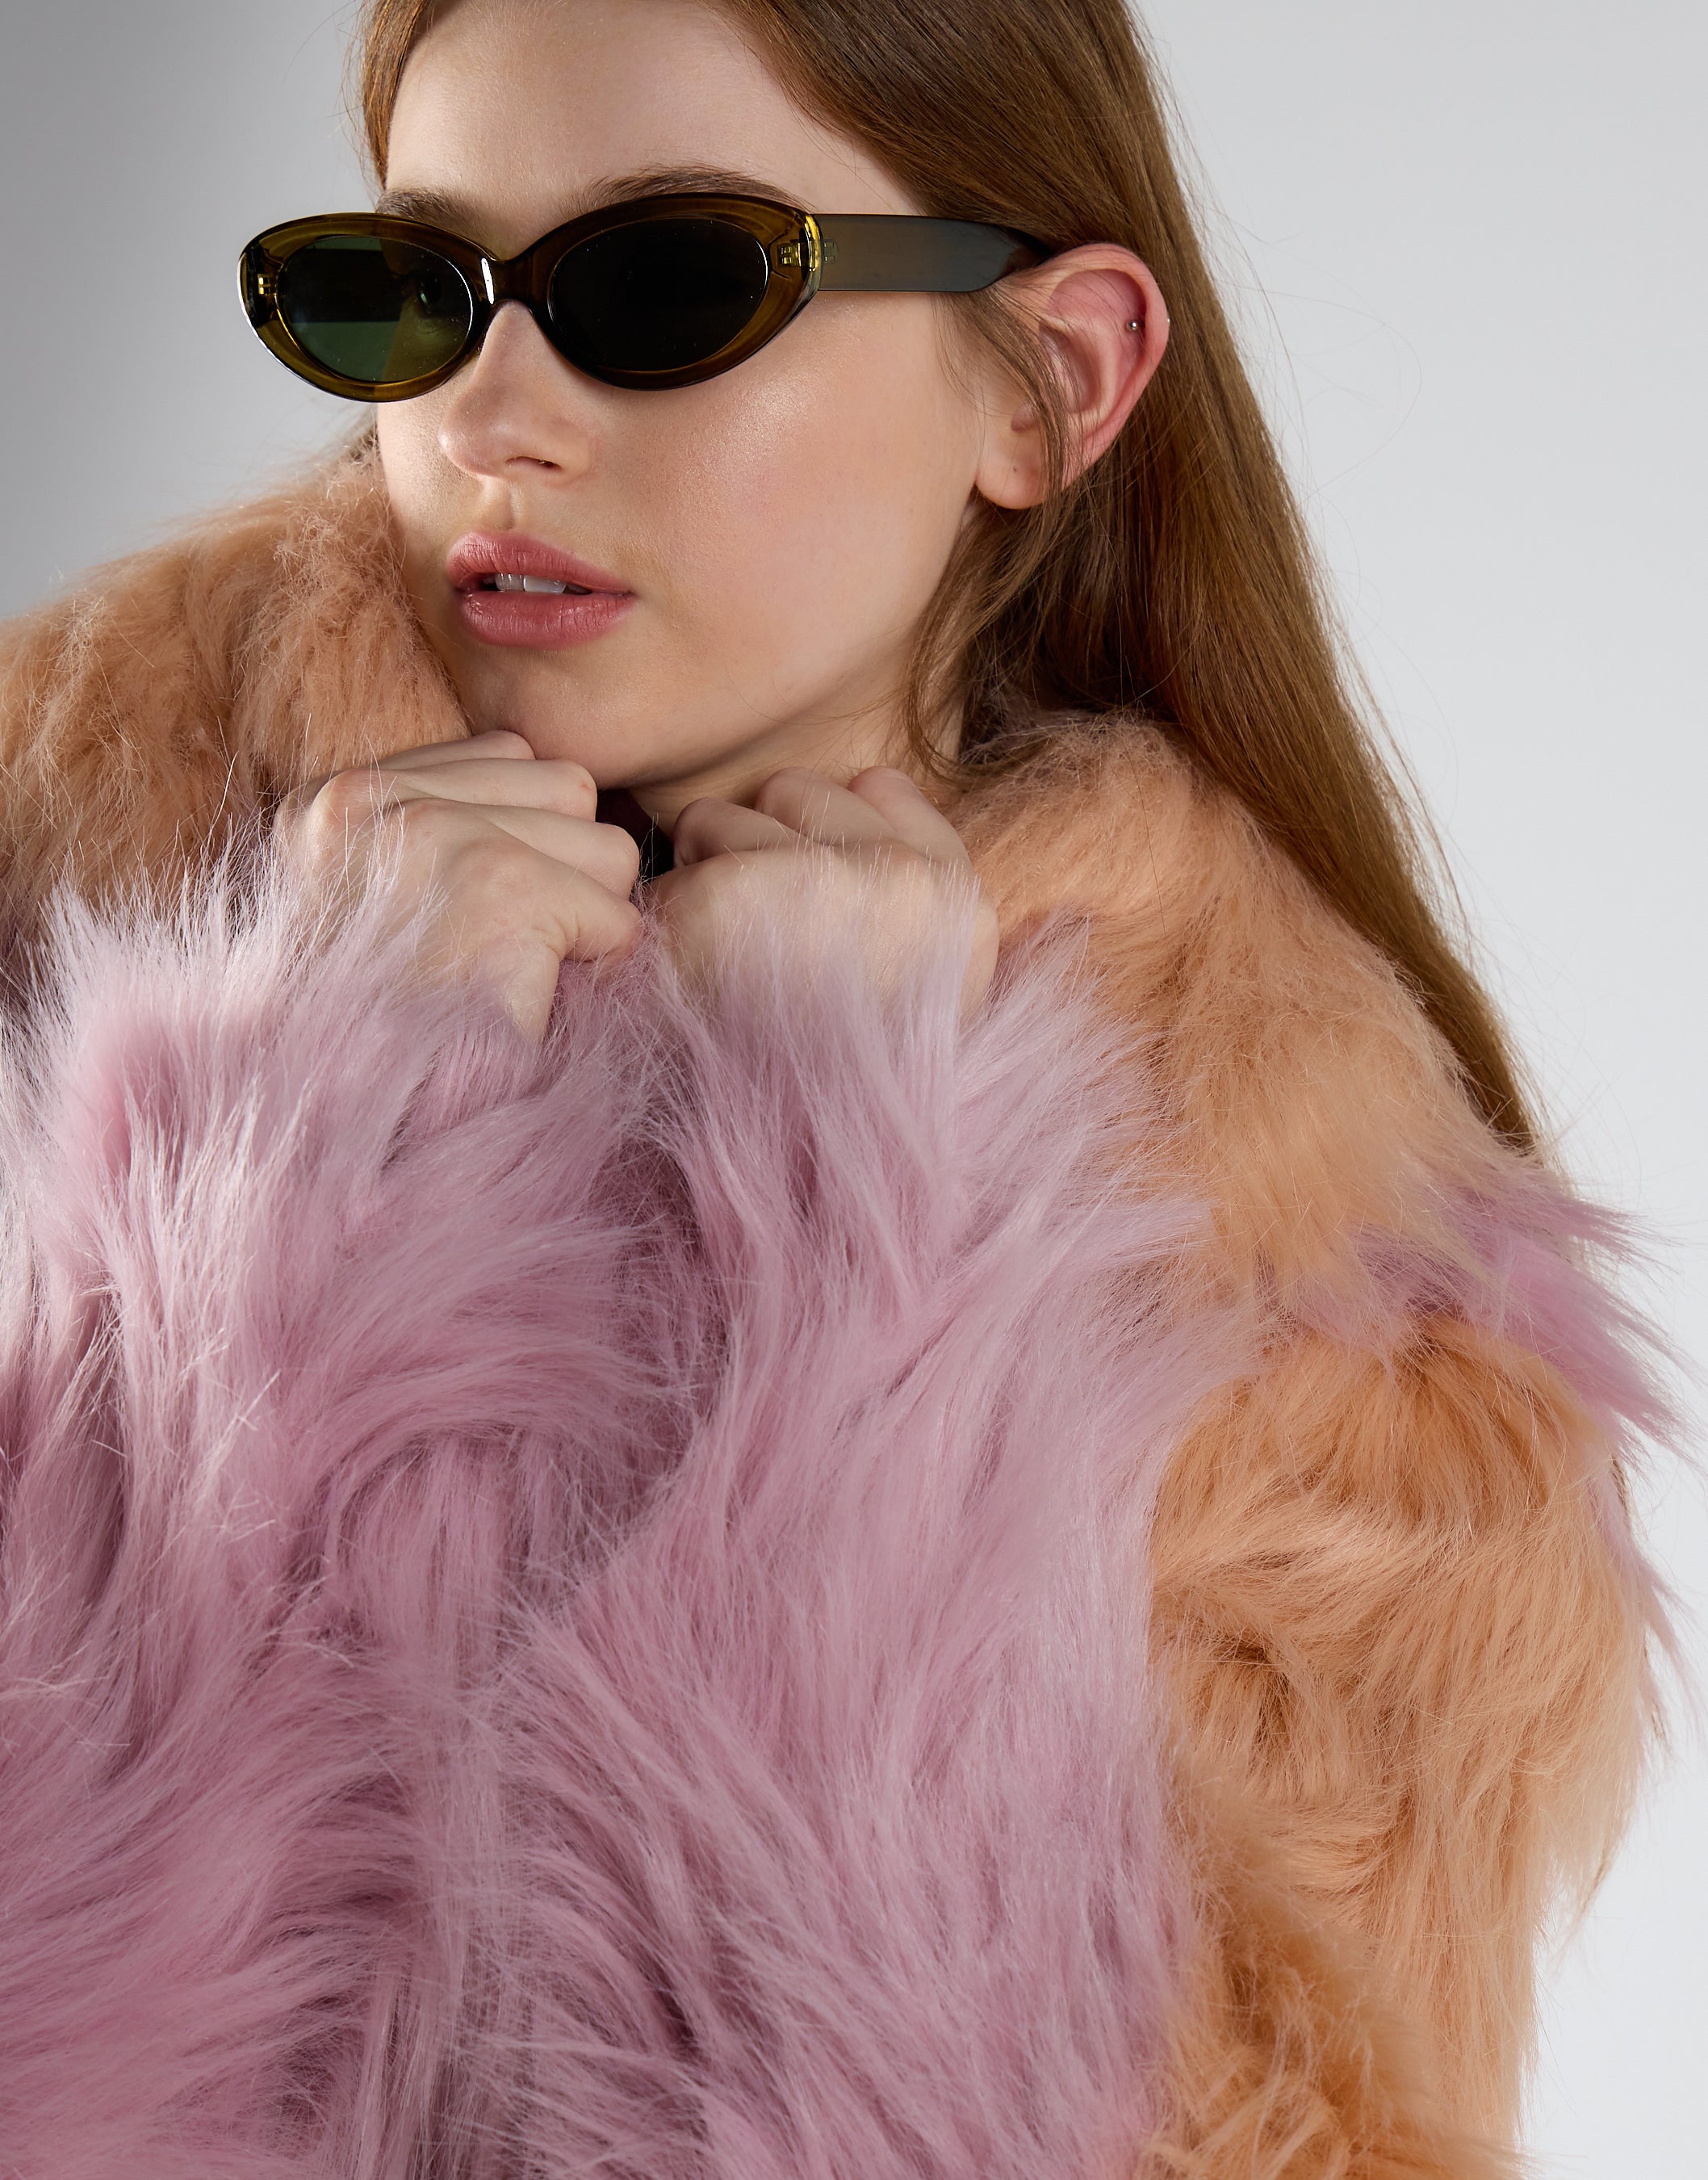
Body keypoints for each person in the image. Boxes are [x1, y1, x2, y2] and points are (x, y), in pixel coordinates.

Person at [0, 1, 1669, 2174]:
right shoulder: (66, 889)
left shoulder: (1345, 1343)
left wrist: (861, 1275)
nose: (486, 414)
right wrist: (257, 1190)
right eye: (410, 290)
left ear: (1049, 380)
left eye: (665, 285)